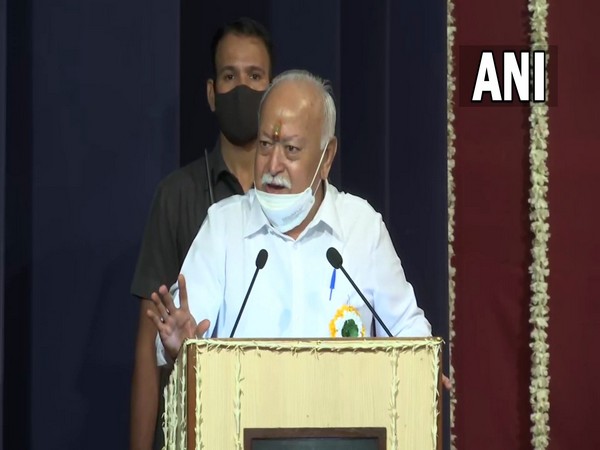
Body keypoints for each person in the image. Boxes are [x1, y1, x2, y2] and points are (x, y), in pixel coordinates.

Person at [146, 70, 433, 365]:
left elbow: (407, 330)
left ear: (327, 157)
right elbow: (182, 329)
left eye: (291, 150)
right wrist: (178, 343)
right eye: (265, 145)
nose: (273, 165)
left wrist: (421, 365)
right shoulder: (222, 227)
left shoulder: (361, 227)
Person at [130, 17, 273, 450]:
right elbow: (149, 342)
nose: (242, 89)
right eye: (230, 77)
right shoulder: (177, 195)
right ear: (212, 93)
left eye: (255, 77)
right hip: (198, 427)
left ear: (273, 92)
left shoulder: (297, 198)